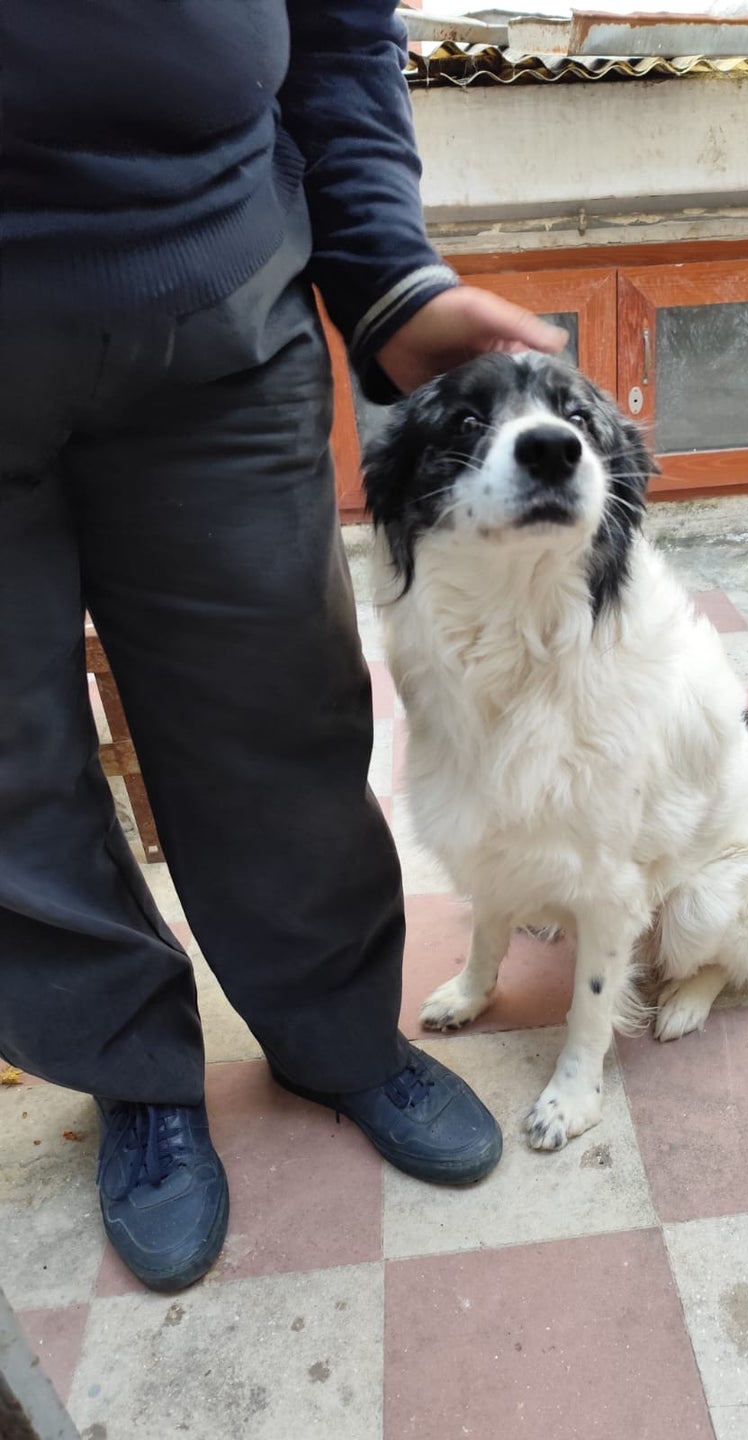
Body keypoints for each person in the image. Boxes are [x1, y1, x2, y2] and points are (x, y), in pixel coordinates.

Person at [0, 0, 564, 1294]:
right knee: (9, 774)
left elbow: (341, 31)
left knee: (282, 713)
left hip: (217, 303)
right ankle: (136, 1072)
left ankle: (335, 1035)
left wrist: (387, 274)